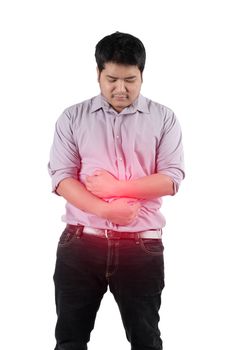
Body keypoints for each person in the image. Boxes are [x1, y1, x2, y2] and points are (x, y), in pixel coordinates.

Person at [48, 31, 185, 350]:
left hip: (141, 246)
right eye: (111, 78)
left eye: (130, 80)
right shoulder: (72, 117)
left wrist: (117, 188)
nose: (121, 88)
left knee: (146, 340)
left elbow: (172, 178)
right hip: (81, 242)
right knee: (69, 339)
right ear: (98, 73)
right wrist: (106, 210)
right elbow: (62, 179)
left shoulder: (164, 118)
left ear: (142, 75)